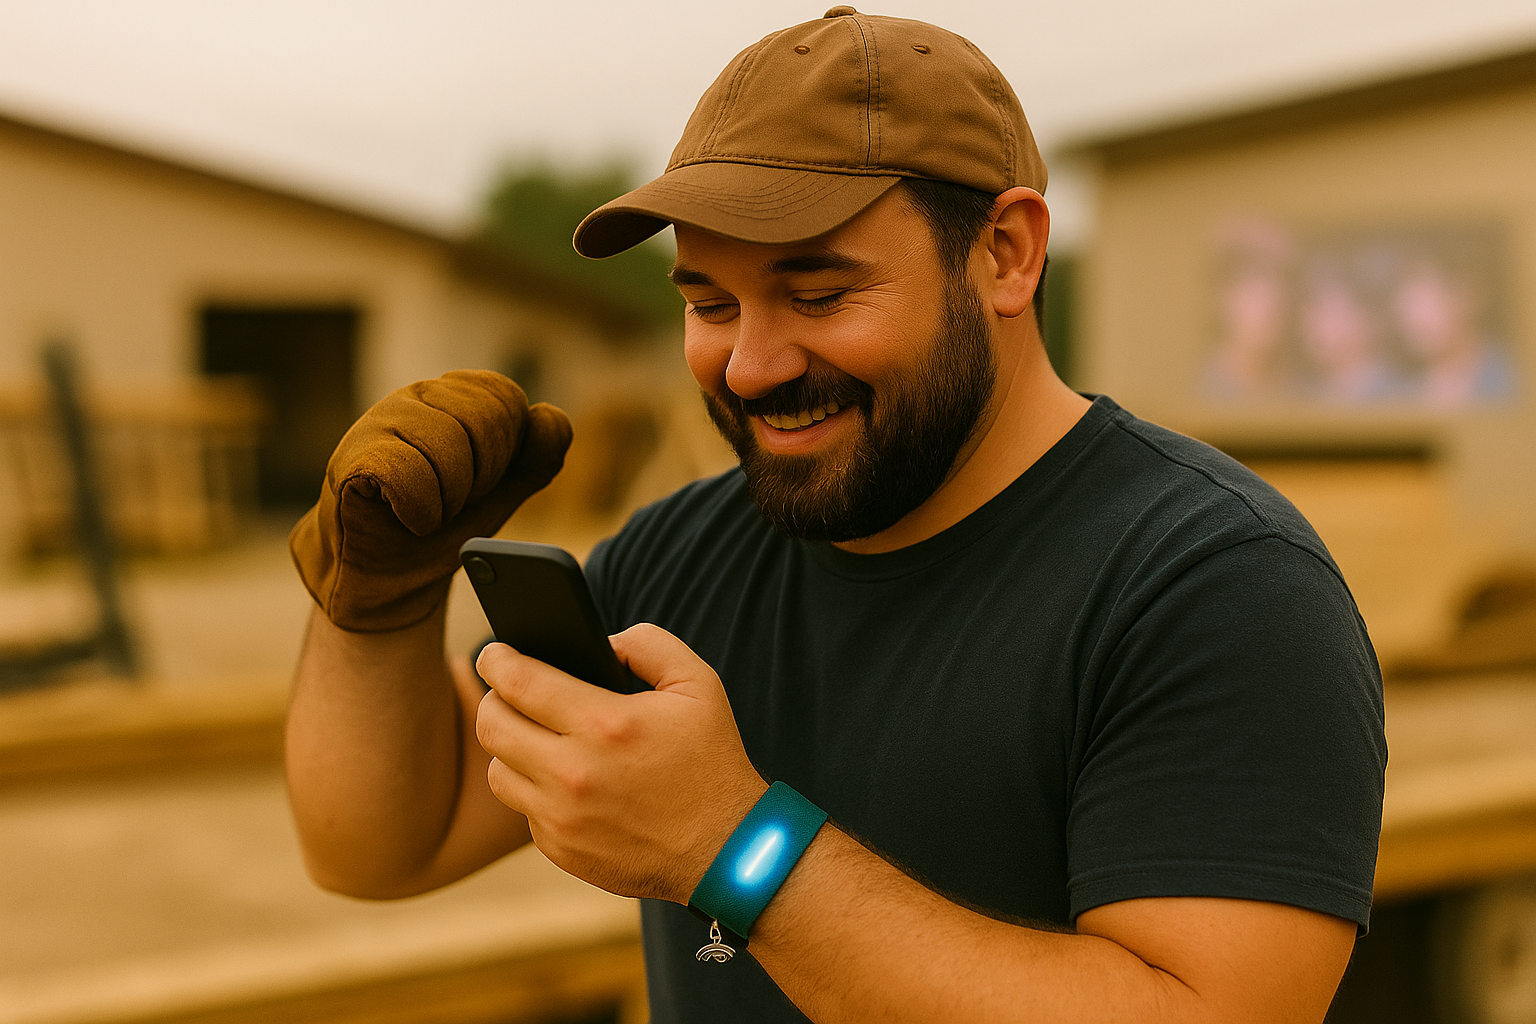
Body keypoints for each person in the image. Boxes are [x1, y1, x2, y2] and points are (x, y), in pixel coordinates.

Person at [285, 9, 1386, 1023]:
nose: (752, 365)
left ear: (1005, 253)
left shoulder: (1215, 585)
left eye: (818, 294)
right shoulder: (681, 553)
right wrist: (376, 598)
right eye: (711, 303)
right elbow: (383, 843)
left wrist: (732, 843)